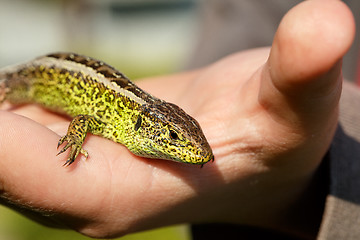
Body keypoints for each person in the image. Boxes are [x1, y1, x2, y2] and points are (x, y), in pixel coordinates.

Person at [0, 0, 358, 239]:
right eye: (173, 138)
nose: (194, 153)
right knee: (11, 90)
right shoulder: (119, 117)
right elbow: (84, 117)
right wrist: (75, 140)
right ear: (148, 128)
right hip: (35, 76)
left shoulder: (136, 119)